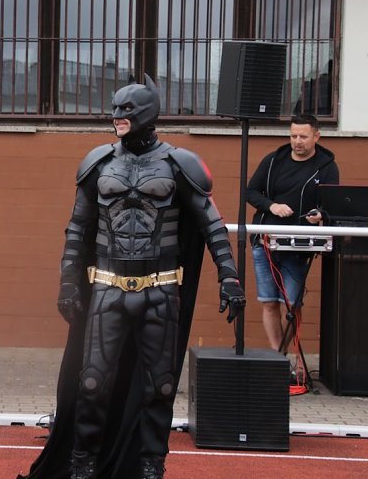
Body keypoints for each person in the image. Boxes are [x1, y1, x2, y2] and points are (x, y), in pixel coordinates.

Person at [19, 75, 245, 479]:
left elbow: (212, 225)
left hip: (161, 290)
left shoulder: (179, 164)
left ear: (147, 114)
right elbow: (77, 229)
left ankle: (150, 467)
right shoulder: (99, 163)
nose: (117, 117)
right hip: (107, 287)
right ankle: (83, 466)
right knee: (91, 383)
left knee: (159, 387)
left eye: (126, 110)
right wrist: (68, 283)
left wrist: (228, 277)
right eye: (115, 109)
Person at [246, 113, 338, 360]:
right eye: (293, 135)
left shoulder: (327, 166)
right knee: (268, 301)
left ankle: (289, 355)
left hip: (298, 242)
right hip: (265, 239)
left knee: (293, 304)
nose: (297, 141)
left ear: (316, 136)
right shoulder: (274, 160)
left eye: (303, 136)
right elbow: (251, 191)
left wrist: (319, 215)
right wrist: (271, 206)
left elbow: (332, 203)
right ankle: (278, 356)